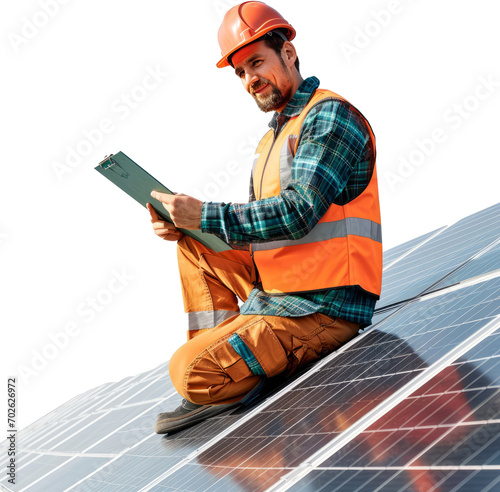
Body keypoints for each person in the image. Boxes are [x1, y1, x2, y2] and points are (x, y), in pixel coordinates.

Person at [147, 1, 383, 434]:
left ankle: (218, 372)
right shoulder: (272, 137)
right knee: (193, 243)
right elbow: (262, 234)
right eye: (240, 72)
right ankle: (223, 355)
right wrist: (190, 223)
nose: (249, 78)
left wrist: (205, 212)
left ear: (288, 54)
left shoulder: (328, 117)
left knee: (188, 372)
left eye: (256, 62)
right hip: (279, 291)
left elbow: (298, 214)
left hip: (325, 307)